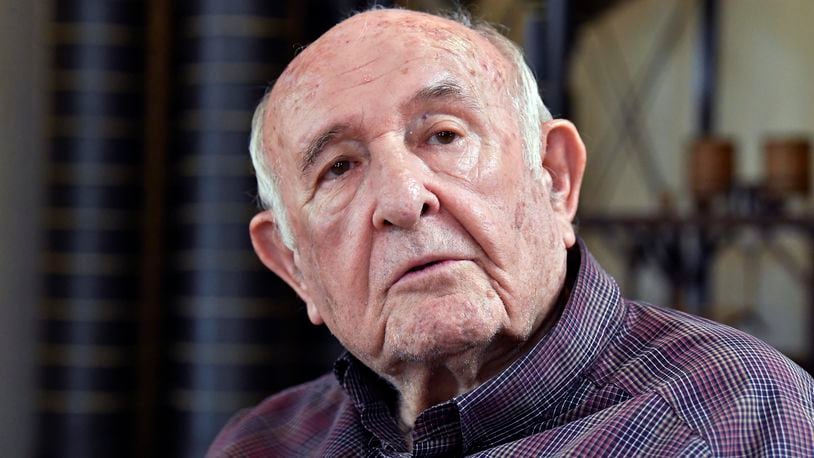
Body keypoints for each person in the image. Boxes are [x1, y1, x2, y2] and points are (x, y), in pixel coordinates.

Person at [208, 7, 814, 457]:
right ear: (292, 264)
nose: (401, 199)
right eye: (338, 167)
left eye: (444, 135)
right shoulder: (261, 442)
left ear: (555, 177)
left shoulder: (737, 417)